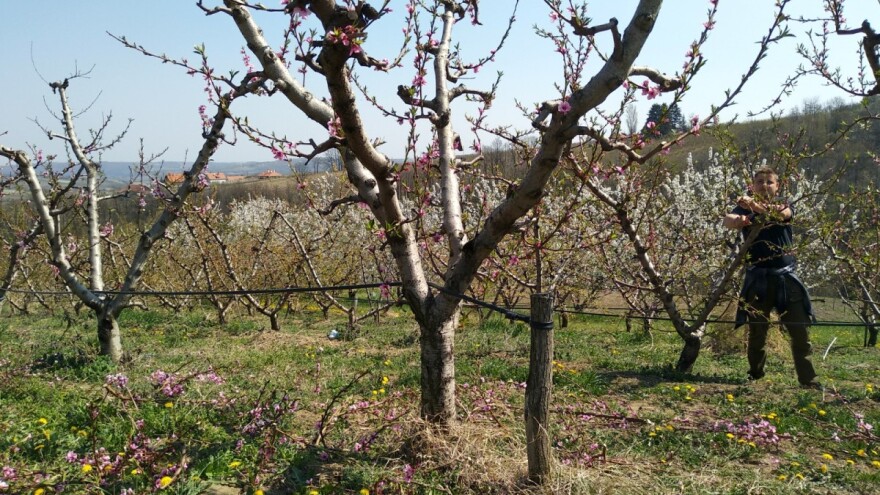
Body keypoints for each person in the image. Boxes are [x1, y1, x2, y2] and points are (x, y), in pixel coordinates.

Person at [723, 166, 821, 389]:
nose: (764, 185)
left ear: (777, 186)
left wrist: (753, 206)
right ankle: (755, 374)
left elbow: (778, 215)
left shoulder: (784, 205)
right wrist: (740, 220)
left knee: (799, 331)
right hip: (758, 280)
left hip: (786, 280)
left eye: (769, 182)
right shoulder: (743, 207)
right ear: (753, 185)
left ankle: (809, 381)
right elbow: (727, 220)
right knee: (757, 331)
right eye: (759, 182)